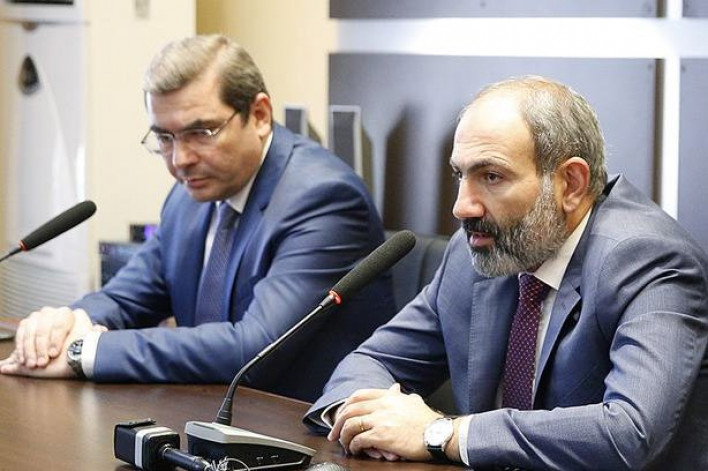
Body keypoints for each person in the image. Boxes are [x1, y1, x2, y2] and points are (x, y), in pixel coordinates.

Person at [303, 76, 708, 469]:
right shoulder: (476, 252)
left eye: (491, 176)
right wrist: (363, 420)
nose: (462, 207)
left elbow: (631, 433)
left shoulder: (648, 260)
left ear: (570, 184)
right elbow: (372, 362)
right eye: (460, 174)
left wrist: (441, 434)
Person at [0, 34, 395, 402]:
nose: (180, 159)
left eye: (201, 132)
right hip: (209, 415)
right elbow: (127, 296)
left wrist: (85, 351)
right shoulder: (191, 194)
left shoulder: (323, 197)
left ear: (259, 115)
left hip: (302, 429)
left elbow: (255, 349)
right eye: (164, 138)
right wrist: (66, 323)